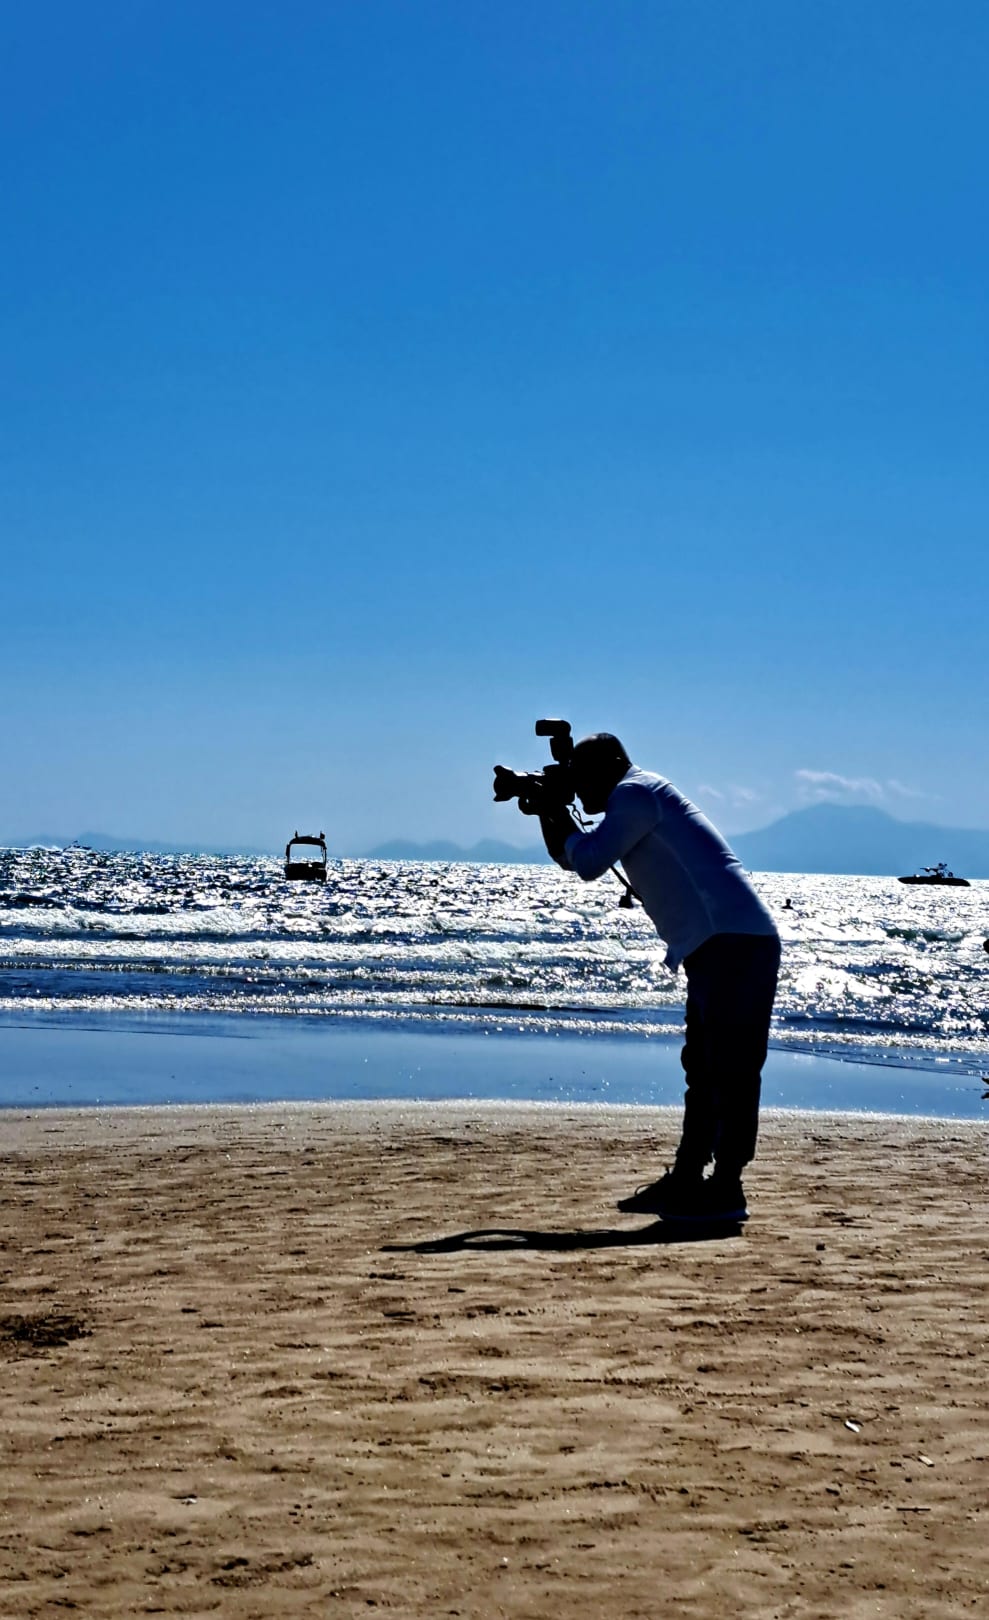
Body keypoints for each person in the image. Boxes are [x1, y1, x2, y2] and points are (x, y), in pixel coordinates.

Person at [536, 733, 781, 1222]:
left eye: (582, 778)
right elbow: (571, 855)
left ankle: (727, 1187)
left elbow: (588, 861)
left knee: (730, 1069)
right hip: (719, 942)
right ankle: (688, 1177)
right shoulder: (639, 795)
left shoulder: (634, 793)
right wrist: (548, 809)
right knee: (704, 1067)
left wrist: (553, 808)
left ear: (610, 766)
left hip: (732, 941)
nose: (580, 790)